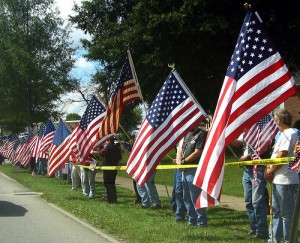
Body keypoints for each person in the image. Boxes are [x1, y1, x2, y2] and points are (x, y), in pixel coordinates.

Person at [264, 109, 299, 243]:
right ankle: (273, 240)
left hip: (286, 180)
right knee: (276, 212)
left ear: (279, 121)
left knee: (287, 214)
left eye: (275, 119)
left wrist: (270, 170)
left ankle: (290, 240)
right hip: (279, 179)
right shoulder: (285, 134)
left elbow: (282, 155)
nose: (274, 122)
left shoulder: (290, 133)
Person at [231, 136, 270, 239]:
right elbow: (238, 142)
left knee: (257, 201)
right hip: (247, 170)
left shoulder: (261, 128)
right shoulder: (246, 129)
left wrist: (247, 157)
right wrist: (226, 136)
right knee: (248, 201)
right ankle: (254, 228)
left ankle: (262, 231)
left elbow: (263, 147)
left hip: (258, 169)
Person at [176, 125, 207, 227]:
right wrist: (180, 163)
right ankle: (191, 219)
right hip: (184, 170)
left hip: (194, 169)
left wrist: (184, 162)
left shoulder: (201, 134)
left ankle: (201, 221)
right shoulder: (187, 134)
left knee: (196, 197)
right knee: (186, 197)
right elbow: (180, 150)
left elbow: (197, 152)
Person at [98, 138, 122, 204]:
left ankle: (110, 199)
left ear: (108, 140)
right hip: (114, 169)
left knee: (107, 184)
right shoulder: (117, 148)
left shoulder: (107, 147)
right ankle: (114, 199)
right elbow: (120, 159)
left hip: (107, 169)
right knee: (112, 184)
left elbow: (101, 153)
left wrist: (97, 150)